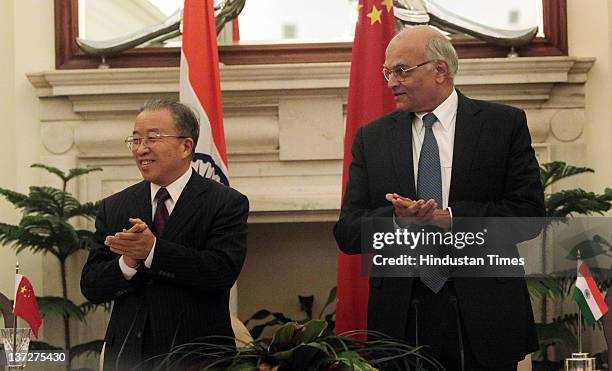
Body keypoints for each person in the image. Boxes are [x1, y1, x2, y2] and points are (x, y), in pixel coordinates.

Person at [333, 26, 545, 370]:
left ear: (440, 70)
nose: (391, 82)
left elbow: (530, 216)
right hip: (403, 315)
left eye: (401, 70)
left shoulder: (502, 125)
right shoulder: (372, 138)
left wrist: (453, 220)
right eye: (387, 72)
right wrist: (396, 220)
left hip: (484, 308)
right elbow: (347, 232)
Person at [80, 98, 249, 370]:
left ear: (186, 146)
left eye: (152, 138)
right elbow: (91, 286)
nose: (141, 149)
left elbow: (221, 272)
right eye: (135, 140)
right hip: (129, 355)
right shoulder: (115, 206)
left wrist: (153, 252)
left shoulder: (225, 203)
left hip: (199, 357)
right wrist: (127, 263)